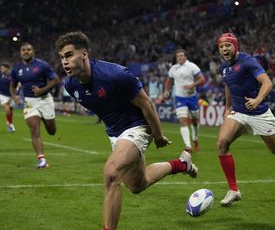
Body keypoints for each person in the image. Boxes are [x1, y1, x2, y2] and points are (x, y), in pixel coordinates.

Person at [55, 31, 198, 230]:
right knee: (138, 184)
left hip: (138, 126)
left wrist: (157, 136)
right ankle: (182, 164)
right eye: (62, 57)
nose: (64, 61)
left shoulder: (116, 75)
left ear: (84, 54)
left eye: (69, 55)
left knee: (111, 173)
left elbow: (147, 105)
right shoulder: (70, 85)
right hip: (115, 133)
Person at [216, 33, 275, 206]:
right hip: (238, 112)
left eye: (227, 45)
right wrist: (227, 108)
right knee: (222, 144)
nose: (224, 49)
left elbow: (267, 83)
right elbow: (229, 86)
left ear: (235, 46)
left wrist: (257, 100)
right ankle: (233, 190)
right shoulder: (223, 67)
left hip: (259, 112)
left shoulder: (248, 61)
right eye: (221, 47)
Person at [10, 42, 60, 168]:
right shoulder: (17, 69)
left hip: (45, 100)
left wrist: (41, 90)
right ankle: (42, 160)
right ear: (20, 52)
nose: (26, 51)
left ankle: (44, 117)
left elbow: (55, 80)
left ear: (33, 52)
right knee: (34, 129)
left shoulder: (42, 65)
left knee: (52, 131)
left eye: (28, 49)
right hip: (29, 103)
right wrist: (14, 96)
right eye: (23, 50)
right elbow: (12, 86)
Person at [163, 49, 205, 152]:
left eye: (181, 56)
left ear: (185, 57)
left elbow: (202, 79)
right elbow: (168, 80)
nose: (180, 58)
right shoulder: (173, 68)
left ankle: (195, 138)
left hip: (192, 97)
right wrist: (166, 91)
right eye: (178, 56)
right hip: (179, 98)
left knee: (194, 121)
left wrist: (192, 85)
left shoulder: (192, 66)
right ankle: (188, 146)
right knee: (183, 120)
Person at [0, 51, 16, 132]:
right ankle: (11, 125)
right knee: (7, 110)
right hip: (3, 95)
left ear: (7, 68)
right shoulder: (0, 74)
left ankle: (9, 123)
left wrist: (15, 95)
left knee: (10, 111)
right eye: (0, 68)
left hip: (11, 95)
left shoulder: (12, 75)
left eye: (2, 68)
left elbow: (15, 84)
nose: (1, 69)